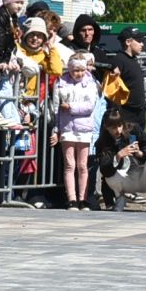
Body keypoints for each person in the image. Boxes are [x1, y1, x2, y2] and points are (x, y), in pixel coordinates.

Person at [49, 50, 102, 209]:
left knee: (82, 165)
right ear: (69, 69)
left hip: (84, 129)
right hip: (67, 128)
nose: (77, 74)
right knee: (69, 165)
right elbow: (56, 109)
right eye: (74, 70)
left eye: (80, 70)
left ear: (85, 69)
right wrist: (56, 130)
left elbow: (89, 106)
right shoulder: (61, 82)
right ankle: (71, 198)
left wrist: (71, 107)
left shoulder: (91, 83)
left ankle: (83, 198)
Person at [94, 112, 146, 211]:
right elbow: (104, 170)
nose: (118, 130)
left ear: (123, 123)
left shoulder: (133, 130)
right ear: (106, 127)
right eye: (113, 128)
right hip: (124, 180)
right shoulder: (102, 142)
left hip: (143, 177)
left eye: (119, 125)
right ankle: (120, 198)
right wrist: (117, 156)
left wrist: (141, 153)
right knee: (109, 176)